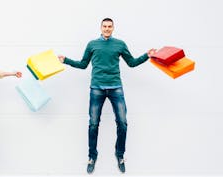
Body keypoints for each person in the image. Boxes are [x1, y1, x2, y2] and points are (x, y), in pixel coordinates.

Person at [58, 18, 156, 174]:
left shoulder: (120, 44)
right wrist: (66, 60)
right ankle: (92, 156)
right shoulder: (92, 44)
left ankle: (120, 154)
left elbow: (131, 62)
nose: (107, 29)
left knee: (123, 123)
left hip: (115, 87)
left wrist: (146, 55)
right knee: (93, 124)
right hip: (97, 87)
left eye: (110, 26)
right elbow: (83, 64)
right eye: (105, 26)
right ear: (101, 27)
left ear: (113, 28)